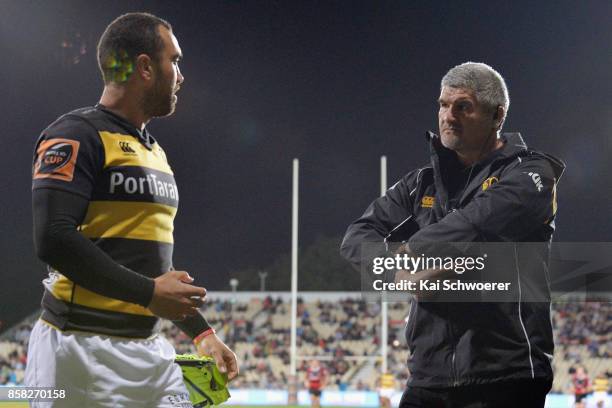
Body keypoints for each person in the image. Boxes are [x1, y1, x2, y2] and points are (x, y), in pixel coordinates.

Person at [26, 12, 238, 407]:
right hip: (77, 347)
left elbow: (153, 270)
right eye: (174, 61)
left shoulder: (155, 151)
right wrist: (149, 293)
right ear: (144, 67)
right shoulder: (75, 133)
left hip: (147, 347)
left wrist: (202, 333)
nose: (181, 75)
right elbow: (53, 238)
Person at [341, 62, 565, 407]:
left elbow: (480, 224)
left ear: (497, 115)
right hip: (428, 375)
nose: (449, 115)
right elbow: (357, 235)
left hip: (505, 375)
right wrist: (398, 275)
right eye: (444, 105)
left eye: (464, 106)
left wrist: (414, 250)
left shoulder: (531, 172)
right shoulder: (421, 182)